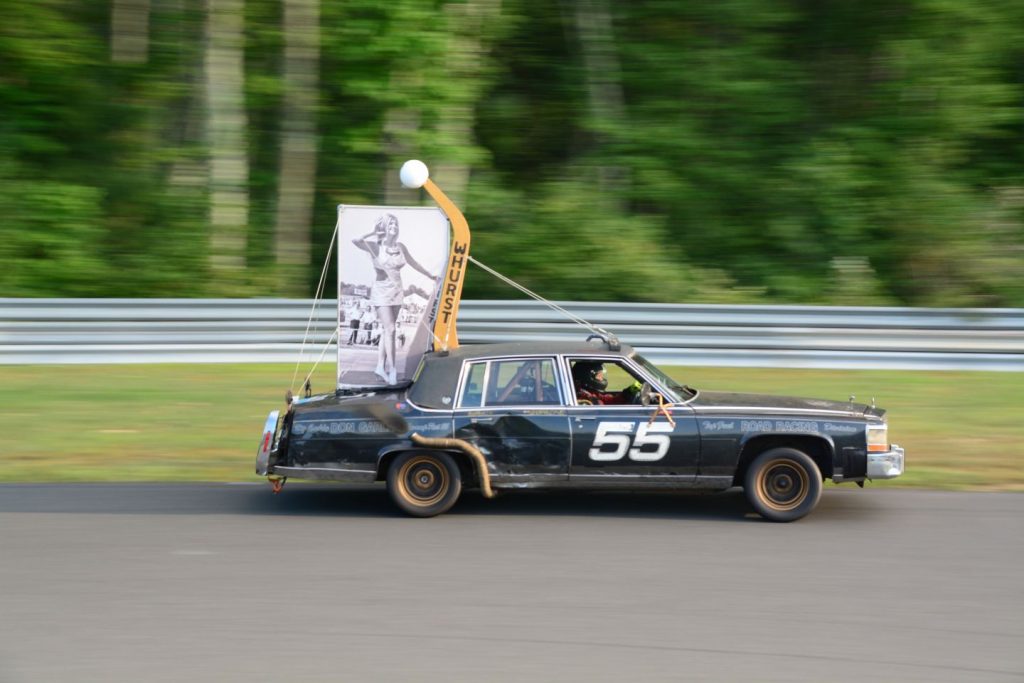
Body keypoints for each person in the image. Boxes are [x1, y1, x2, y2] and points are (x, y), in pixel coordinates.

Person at [353, 213, 437, 384]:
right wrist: (372, 232)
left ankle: (379, 366)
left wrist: (430, 276)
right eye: (390, 223)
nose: (394, 226)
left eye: (396, 224)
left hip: (397, 292)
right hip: (381, 292)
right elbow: (356, 240)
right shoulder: (376, 247)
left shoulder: (401, 247)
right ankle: (392, 370)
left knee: (387, 331)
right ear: (384, 227)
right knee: (391, 330)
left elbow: (414, 263)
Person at [572, 361, 637, 405]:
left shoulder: (588, 392)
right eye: (599, 375)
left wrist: (629, 391)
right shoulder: (585, 399)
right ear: (588, 377)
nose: (602, 378)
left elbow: (609, 400)